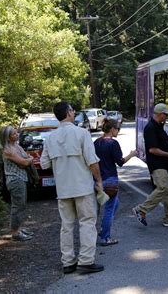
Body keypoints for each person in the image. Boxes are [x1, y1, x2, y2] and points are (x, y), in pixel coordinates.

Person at [40, 102, 104, 275]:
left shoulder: (50, 138)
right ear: (69, 113)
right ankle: (86, 261)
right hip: (82, 187)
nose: (74, 112)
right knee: (87, 223)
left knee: (66, 226)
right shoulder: (82, 133)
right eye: (72, 110)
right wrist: (99, 181)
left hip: (63, 189)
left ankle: (68, 262)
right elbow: (92, 161)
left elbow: (44, 163)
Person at [132, 103, 168, 227]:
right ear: (160, 114)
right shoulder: (150, 128)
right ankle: (141, 209)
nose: (166, 117)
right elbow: (152, 150)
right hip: (157, 164)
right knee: (163, 188)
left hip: (164, 163)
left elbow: (160, 146)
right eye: (166, 115)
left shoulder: (158, 126)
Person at [94, 118, 137, 246]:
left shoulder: (96, 142)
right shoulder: (113, 143)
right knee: (109, 209)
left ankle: (103, 231)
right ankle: (105, 237)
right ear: (112, 129)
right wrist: (132, 154)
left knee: (115, 204)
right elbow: (120, 162)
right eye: (118, 129)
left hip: (98, 180)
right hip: (110, 180)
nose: (118, 131)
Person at [0, 126, 35, 241]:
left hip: (21, 179)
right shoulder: (7, 150)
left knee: (22, 204)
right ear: (8, 138)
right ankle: (15, 232)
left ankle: (19, 228)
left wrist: (28, 159)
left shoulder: (16, 146)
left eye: (16, 133)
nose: (17, 135)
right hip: (15, 180)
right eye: (13, 134)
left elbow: (27, 158)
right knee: (17, 206)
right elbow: (24, 162)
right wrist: (28, 160)